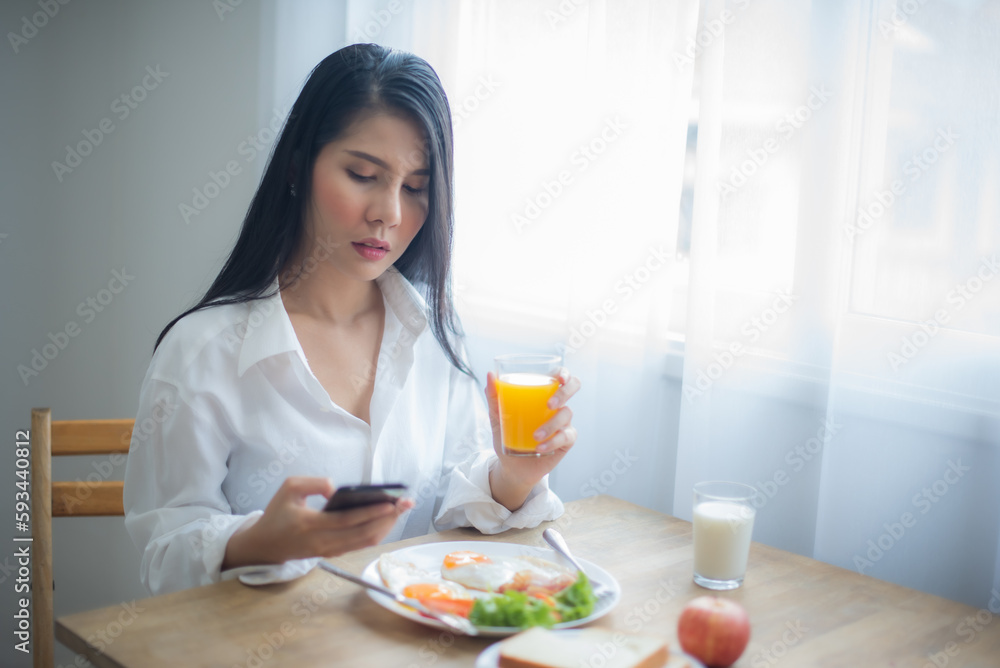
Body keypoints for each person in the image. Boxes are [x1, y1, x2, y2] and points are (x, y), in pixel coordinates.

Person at [123, 43, 580, 595]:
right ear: (297, 167)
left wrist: (512, 478)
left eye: (415, 188)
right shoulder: (203, 352)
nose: (389, 211)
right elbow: (163, 554)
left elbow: (449, 514)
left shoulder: (433, 335)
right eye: (364, 174)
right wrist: (264, 540)